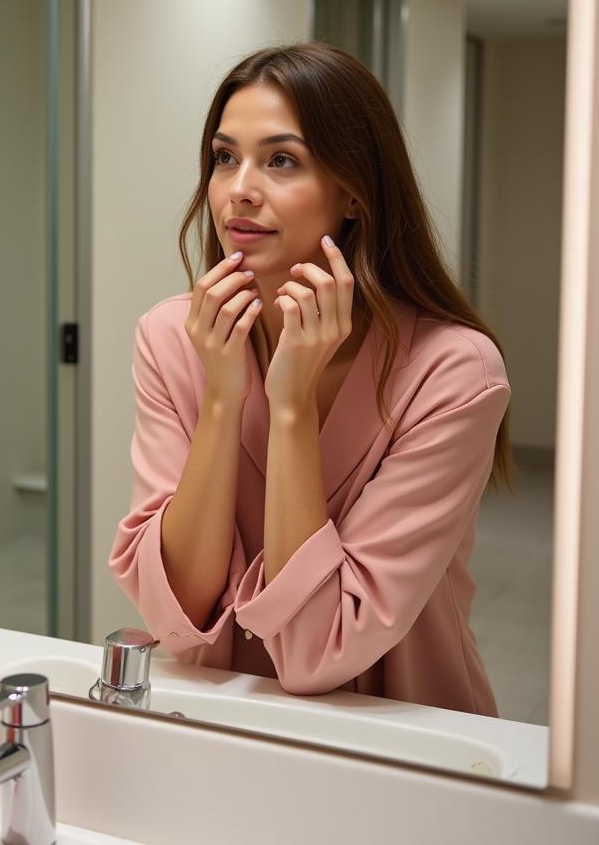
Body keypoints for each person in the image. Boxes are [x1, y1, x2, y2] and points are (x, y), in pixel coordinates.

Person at [110, 43, 511, 717]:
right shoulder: (171, 338)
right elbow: (175, 611)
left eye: (281, 160)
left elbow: (318, 649)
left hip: (409, 736)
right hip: (226, 718)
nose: (239, 187)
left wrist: (289, 406)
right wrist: (222, 395)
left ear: (353, 193)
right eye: (225, 157)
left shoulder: (453, 372)